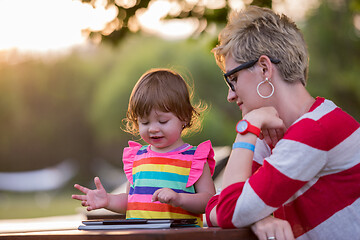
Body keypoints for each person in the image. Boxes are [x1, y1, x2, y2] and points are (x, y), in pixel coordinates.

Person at [205, 5, 360, 240]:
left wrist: (246, 128)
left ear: (265, 68)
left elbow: (228, 210)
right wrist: (258, 217)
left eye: (233, 79)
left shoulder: (316, 129)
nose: (231, 94)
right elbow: (216, 206)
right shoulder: (271, 136)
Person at [72, 68, 216, 227]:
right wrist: (108, 200)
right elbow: (131, 200)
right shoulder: (137, 158)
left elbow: (209, 201)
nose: (153, 128)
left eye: (162, 121)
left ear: (185, 117)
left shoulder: (194, 158)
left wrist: (179, 198)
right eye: (145, 122)